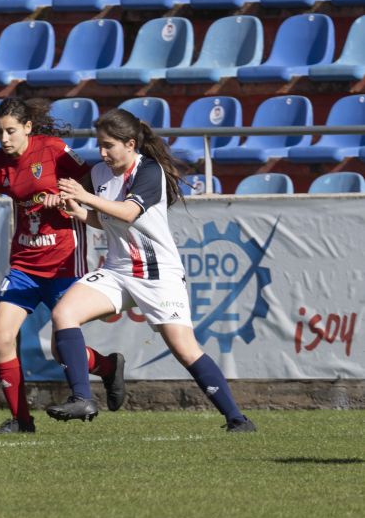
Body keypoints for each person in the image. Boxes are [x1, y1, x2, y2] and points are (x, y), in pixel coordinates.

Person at [46, 108, 256, 432]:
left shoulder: (150, 171)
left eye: (108, 145)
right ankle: (82, 398)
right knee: (63, 316)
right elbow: (106, 220)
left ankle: (237, 419)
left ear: (130, 144)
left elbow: (128, 213)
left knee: (185, 350)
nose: (101, 153)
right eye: (99, 145)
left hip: (157, 274)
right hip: (117, 269)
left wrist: (84, 196)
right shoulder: (101, 173)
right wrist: (78, 212)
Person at [0, 97, 126, 435]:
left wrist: (68, 196)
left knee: (62, 351)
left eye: (11, 131)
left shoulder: (54, 150)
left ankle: (107, 365)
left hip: (62, 262)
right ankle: (21, 421)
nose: (5, 139)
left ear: (27, 127)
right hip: (24, 266)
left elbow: (91, 184)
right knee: (0, 336)